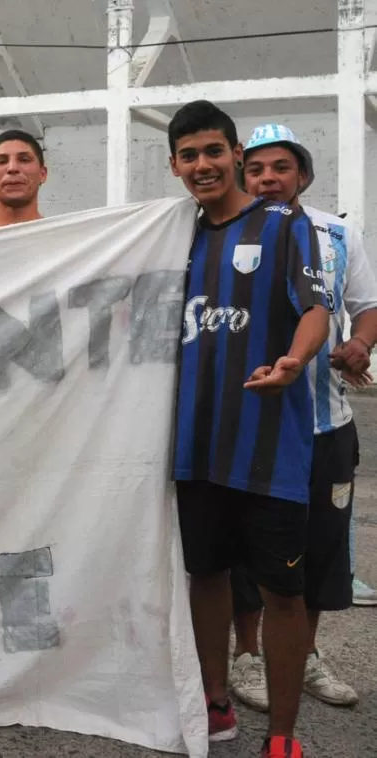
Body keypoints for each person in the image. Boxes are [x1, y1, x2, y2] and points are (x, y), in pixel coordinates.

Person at [168, 101, 330, 758]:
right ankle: (214, 700)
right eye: (189, 155)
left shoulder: (285, 223)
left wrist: (295, 360)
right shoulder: (172, 234)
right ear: (174, 165)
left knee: (282, 592)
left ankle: (283, 735)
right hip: (193, 447)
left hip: (270, 449)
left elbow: (315, 309)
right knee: (204, 576)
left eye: (213, 151)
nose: (202, 165)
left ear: (235, 153)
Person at [227, 123, 377, 713]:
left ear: (303, 175)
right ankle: (248, 656)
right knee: (245, 546)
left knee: (318, 546)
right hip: (247, 422)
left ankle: (303, 653)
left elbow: (365, 309)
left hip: (324, 423)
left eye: (280, 167)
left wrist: (360, 345)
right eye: (257, 169)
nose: (268, 178)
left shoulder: (338, 233)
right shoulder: (221, 231)